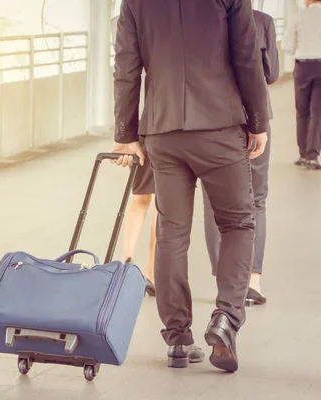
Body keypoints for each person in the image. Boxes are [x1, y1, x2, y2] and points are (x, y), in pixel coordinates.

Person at [111, 0, 269, 373]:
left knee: (171, 234)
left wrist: (126, 134)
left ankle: (178, 339)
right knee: (237, 223)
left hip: (163, 131)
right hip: (219, 125)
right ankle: (226, 319)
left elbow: (126, 68)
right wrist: (258, 121)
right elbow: (247, 57)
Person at [203, 8, 280, 307]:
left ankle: (225, 282)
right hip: (255, 117)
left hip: (216, 118)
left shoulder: (204, 19)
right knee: (256, 199)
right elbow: (271, 74)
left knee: (213, 201)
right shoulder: (262, 21)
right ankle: (253, 280)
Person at [111, 14, 156, 297]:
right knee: (164, 202)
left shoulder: (125, 17)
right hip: (162, 120)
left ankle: (127, 260)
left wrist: (124, 134)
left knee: (141, 196)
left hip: (142, 120)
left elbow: (124, 76)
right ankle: (150, 271)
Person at [282, 0, 321, 170]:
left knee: (302, 110)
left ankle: (303, 153)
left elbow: (287, 46)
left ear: (307, 1)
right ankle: (313, 156)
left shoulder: (298, 16)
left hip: (303, 66)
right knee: (317, 112)